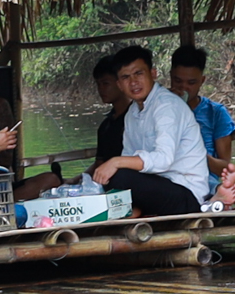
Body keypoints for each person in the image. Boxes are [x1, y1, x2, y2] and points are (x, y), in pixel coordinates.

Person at [89, 46, 211, 217]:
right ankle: (136, 211)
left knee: (120, 176)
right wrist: (115, 166)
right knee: (112, 177)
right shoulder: (132, 112)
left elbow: (163, 160)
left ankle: (137, 211)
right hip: (159, 188)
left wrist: (115, 162)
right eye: (126, 77)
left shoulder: (166, 105)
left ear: (153, 73)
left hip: (186, 194)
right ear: (119, 84)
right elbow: (129, 156)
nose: (133, 82)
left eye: (139, 74)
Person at [168, 45, 235, 197]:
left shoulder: (216, 113)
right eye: (177, 81)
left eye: (191, 83)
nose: (184, 88)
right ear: (170, 76)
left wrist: (194, 154)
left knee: (214, 187)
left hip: (203, 182)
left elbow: (225, 168)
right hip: (165, 180)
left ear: (202, 81)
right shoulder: (156, 108)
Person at [91, 54, 130, 167]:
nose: (101, 89)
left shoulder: (137, 118)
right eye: (98, 84)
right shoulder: (105, 126)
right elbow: (99, 163)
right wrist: (75, 180)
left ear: (120, 83)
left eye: (106, 83)